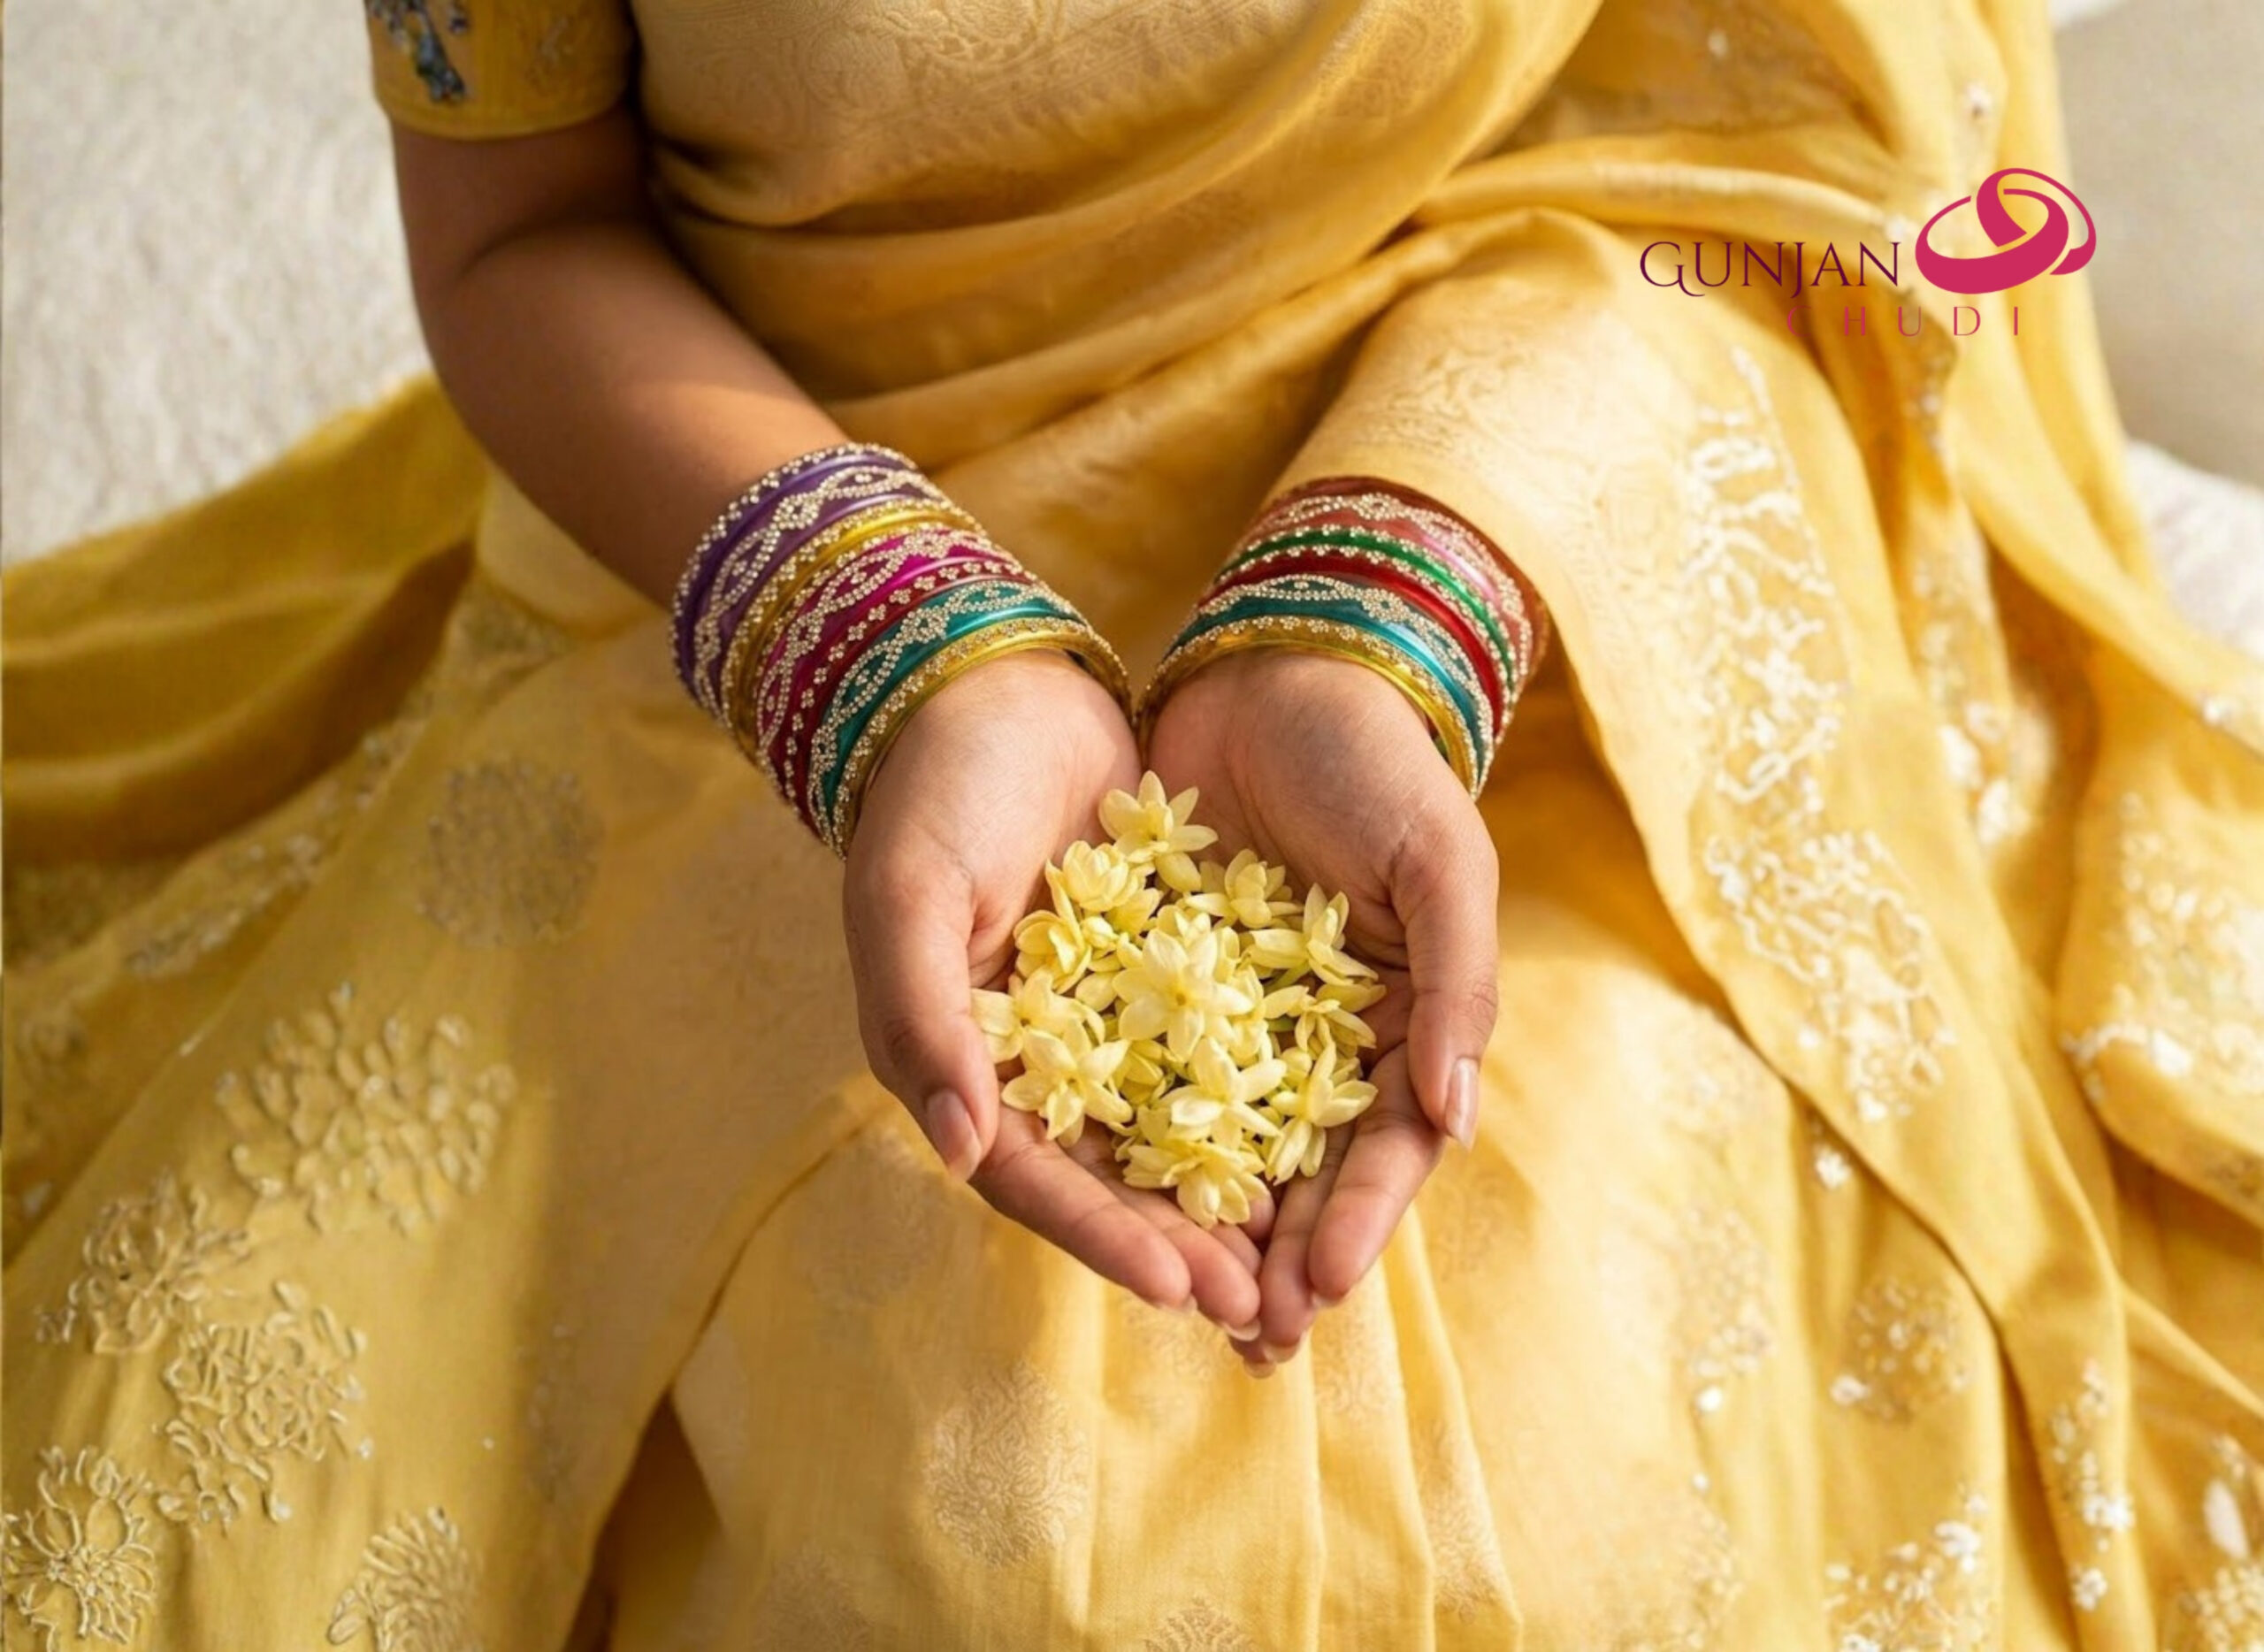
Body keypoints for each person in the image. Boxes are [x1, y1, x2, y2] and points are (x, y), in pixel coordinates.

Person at [4, 0, 2260, 1645]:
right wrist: (890, 658)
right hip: (773, 520)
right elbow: (514, 235)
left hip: (1512, 496)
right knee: (179, 1475)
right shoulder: (831, 603)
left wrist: (1390, 602)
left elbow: (1769, 146)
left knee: (1567, 1521)